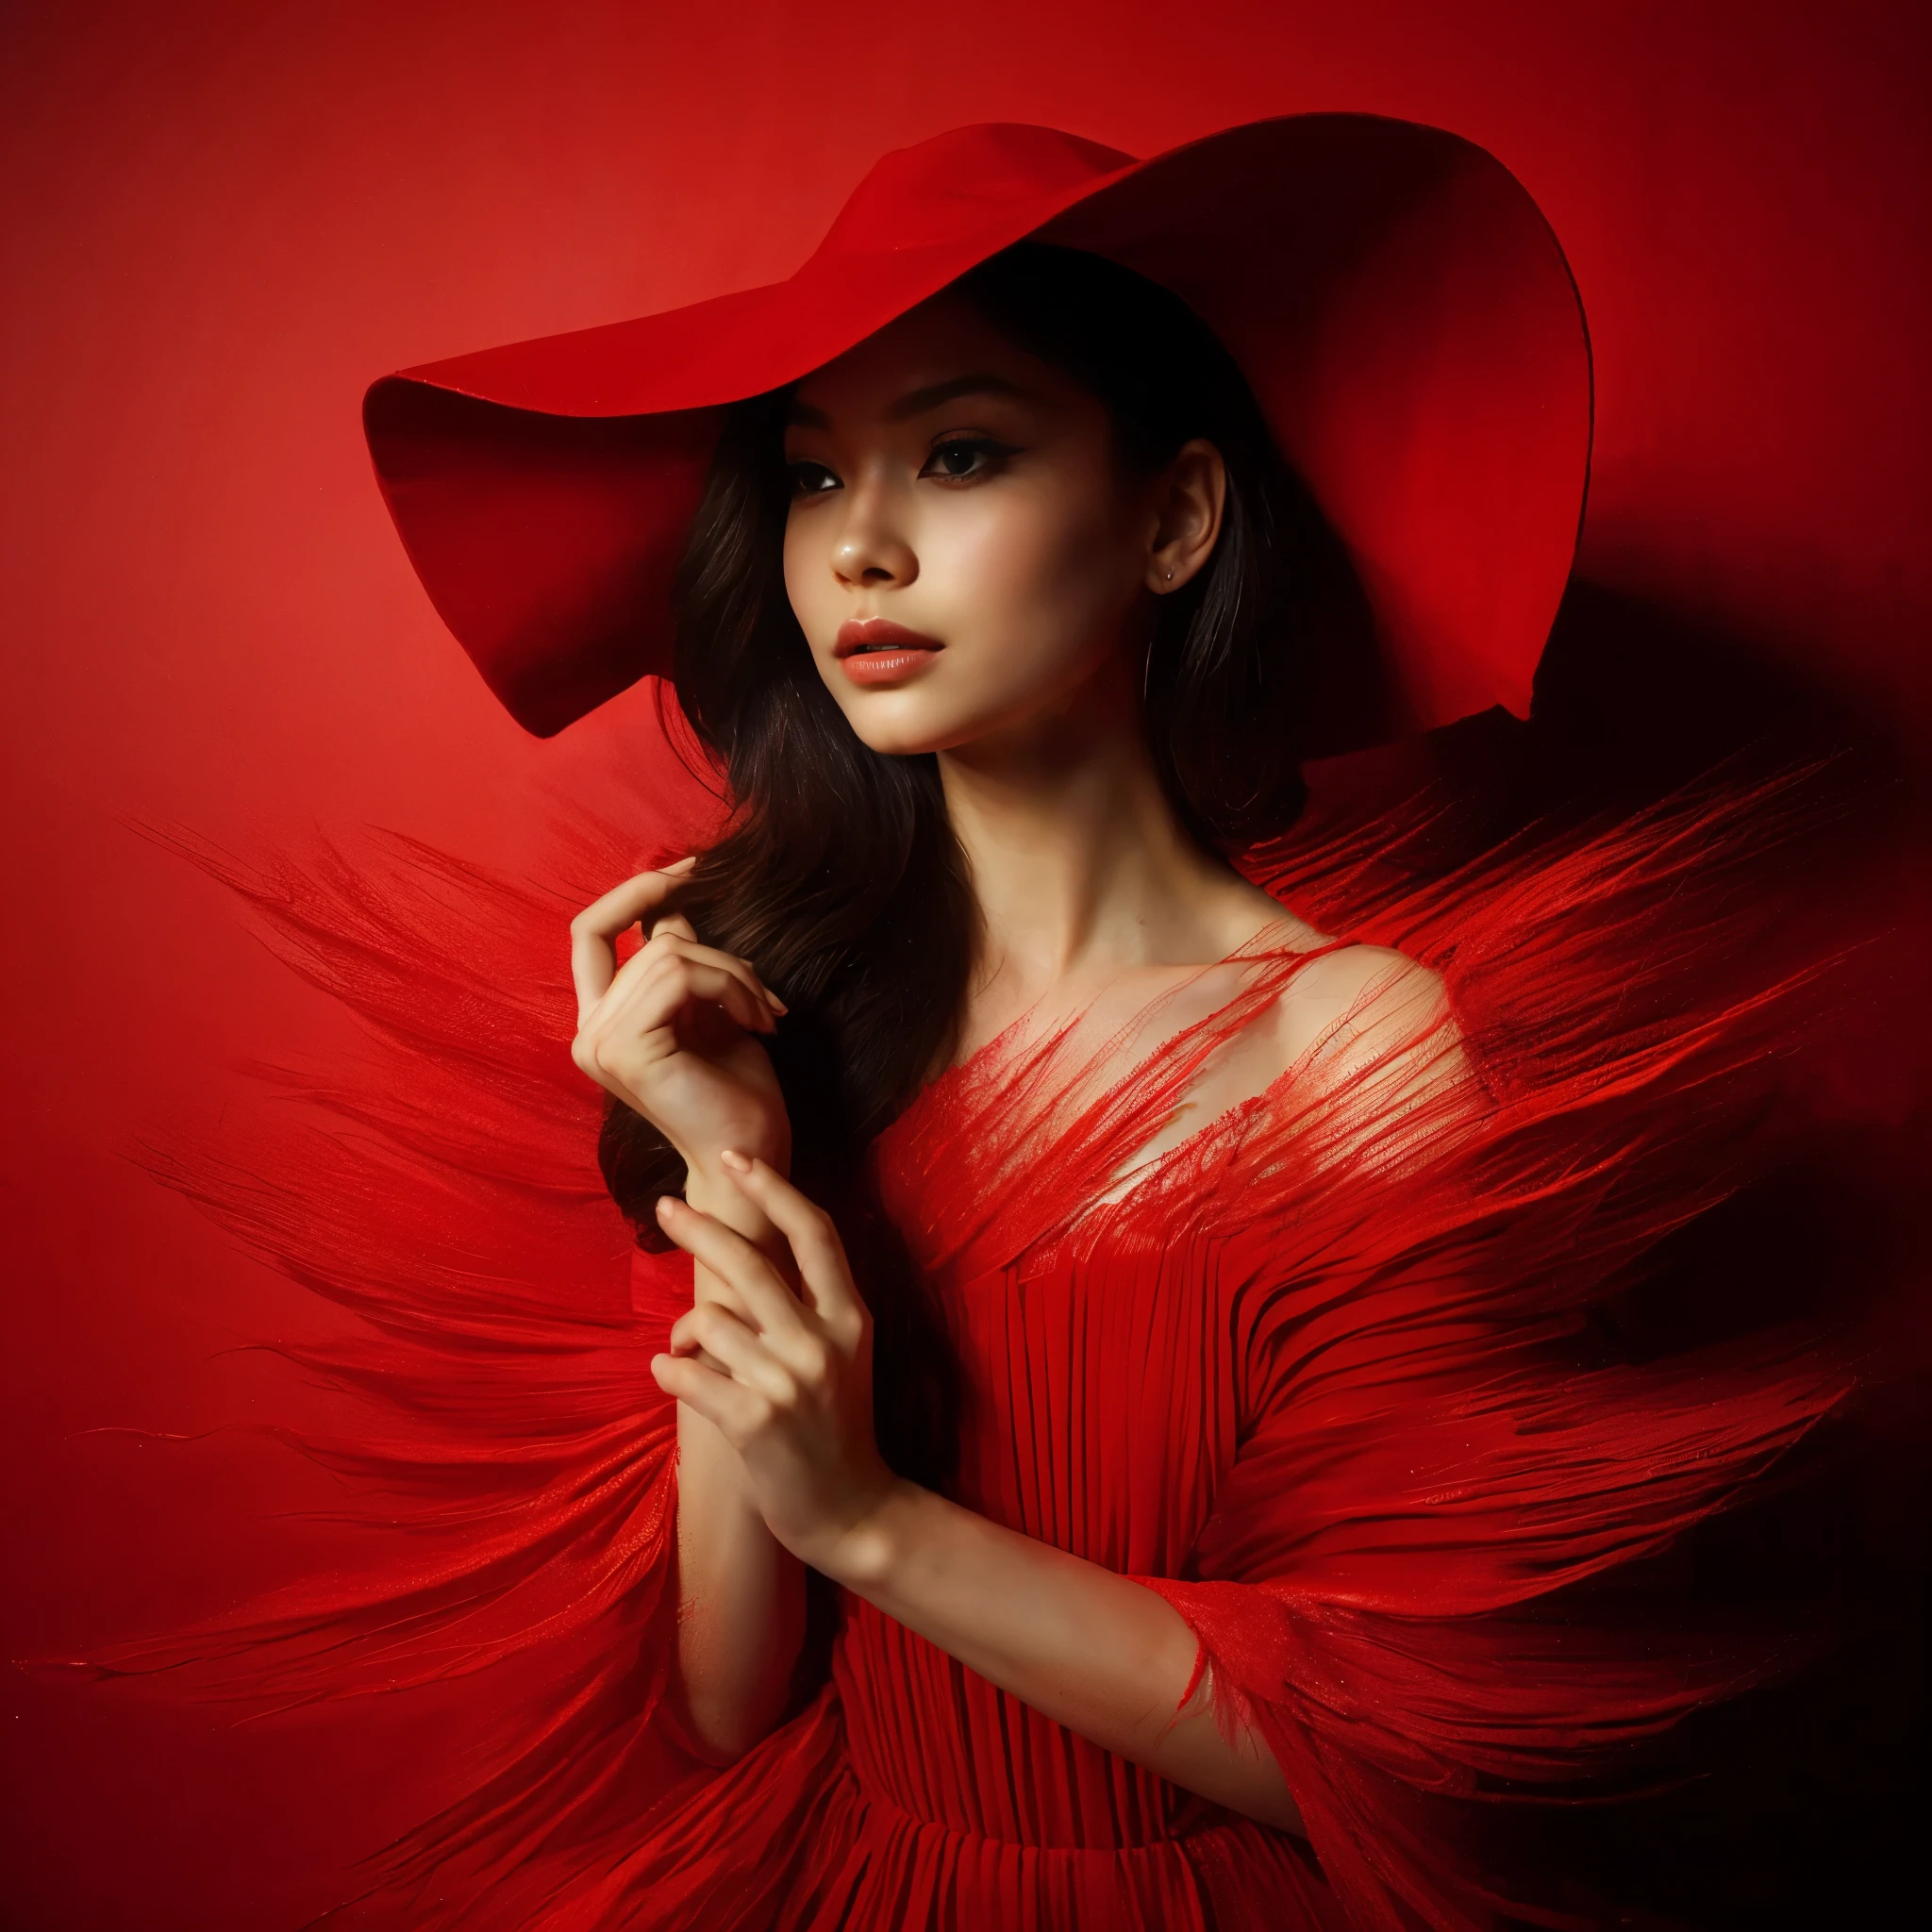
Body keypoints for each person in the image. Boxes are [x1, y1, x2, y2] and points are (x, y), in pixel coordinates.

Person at [89, 119, 1850, 1930]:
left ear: (1173, 517)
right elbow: (723, 1706)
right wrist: (730, 1170)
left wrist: (870, 1522)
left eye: (957, 452)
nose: (861, 550)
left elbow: (1380, 1748)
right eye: (809, 478)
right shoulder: (779, 1024)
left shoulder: (1352, 1043)